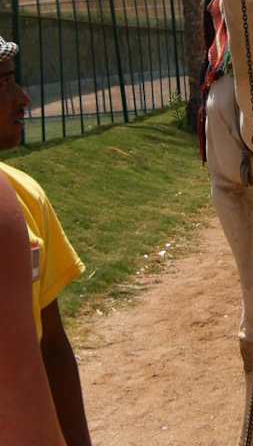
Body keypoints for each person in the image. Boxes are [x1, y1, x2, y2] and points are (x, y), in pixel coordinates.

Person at [0, 35, 92, 446]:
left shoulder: (27, 196)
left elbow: (52, 343)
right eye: (4, 83)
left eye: (14, 80)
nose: (23, 98)